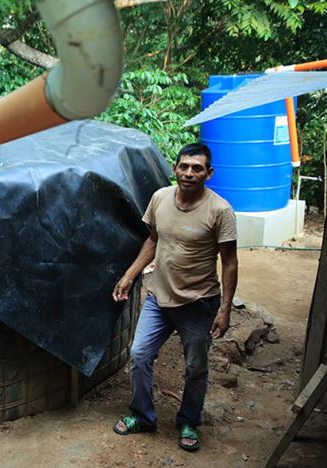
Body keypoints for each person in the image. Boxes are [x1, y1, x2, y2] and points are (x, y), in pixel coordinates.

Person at [110, 142, 238, 452]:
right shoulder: (160, 198)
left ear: (209, 173)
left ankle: (189, 421)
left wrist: (225, 309)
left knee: (195, 366)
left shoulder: (220, 211)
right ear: (175, 169)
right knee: (140, 355)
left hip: (199, 302)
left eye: (197, 168)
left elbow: (230, 262)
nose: (189, 173)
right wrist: (129, 275)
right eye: (184, 166)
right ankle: (143, 416)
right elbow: (153, 240)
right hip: (159, 297)